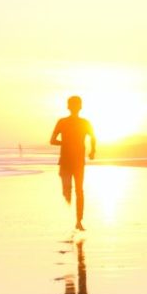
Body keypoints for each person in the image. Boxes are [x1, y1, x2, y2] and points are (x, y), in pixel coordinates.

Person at [50, 95, 96, 230]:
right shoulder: (66, 122)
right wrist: (92, 150)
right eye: (74, 105)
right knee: (74, 190)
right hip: (70, 161)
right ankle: (78, 219)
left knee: (78, 190)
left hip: (74, 161)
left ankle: (79, 221)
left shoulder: (79, 122)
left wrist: (93, 150)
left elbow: (93, 137)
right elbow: (52, 140)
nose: (75, 107)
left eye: (76, 105)